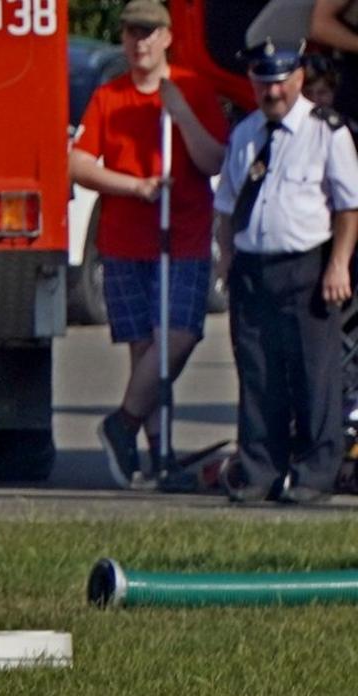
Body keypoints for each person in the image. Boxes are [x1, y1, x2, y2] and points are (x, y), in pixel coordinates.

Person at [69, 0, 228, 489]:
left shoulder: (193, 90)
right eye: (131, 33)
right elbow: (78, 164)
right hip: (126, 240)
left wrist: (181, 116)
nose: (139, 42)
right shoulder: (109, 96)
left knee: (177, 337)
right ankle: (159, 453)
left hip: (184, 237)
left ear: (166, 38)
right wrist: (135, 186)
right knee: (146, 351)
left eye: (148, 33)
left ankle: (123, 423)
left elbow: (214, 160)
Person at [215, 40, 358, 504]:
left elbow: (348, 207)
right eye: (263, 81)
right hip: (252, 268)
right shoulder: (246, 133)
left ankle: (315, 473)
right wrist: (226, 257)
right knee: (258, 373)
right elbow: (226, 206)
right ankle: (260, 470)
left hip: (307, 268)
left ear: (298, 78)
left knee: (314, 375)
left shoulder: (327, 132)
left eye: (279, 81)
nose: (272, 91)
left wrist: (338, 264)